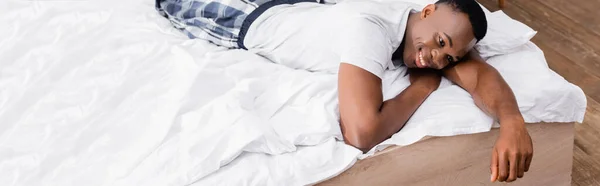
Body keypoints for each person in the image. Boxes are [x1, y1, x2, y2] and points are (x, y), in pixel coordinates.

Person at [156, 0, 533, 182]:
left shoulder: (428, 32)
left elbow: (479, 74)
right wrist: (423, 88)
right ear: (429, 10)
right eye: (438, 41)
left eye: (447, 56)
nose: (434, 58)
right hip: (243, 16)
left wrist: (513, 121)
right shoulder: (371, 28)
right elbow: (361, 133)